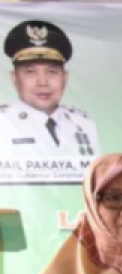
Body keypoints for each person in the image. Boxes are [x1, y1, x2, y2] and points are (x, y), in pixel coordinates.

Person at [1, 19, 100, 183]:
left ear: (65, 77)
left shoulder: (85, 125)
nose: (43, 82)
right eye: (30, 72)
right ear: (15, 78)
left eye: (52, 72)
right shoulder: (2, 124)